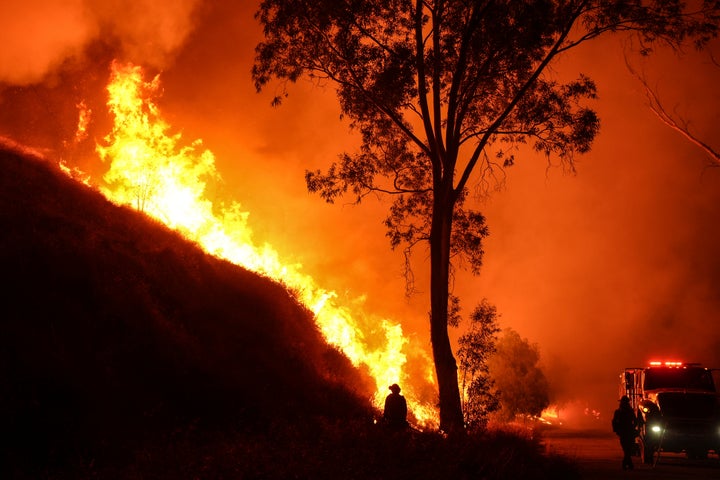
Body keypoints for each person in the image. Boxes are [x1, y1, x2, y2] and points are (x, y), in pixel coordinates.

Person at [612, 395, 638, 470]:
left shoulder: (618, 412)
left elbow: (614, 422)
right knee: (627, 449)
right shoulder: (628, 411)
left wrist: (616, 430)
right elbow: (635, 421)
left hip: (624, 432)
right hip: (627, 431)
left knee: (627, 449)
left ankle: (626, 463)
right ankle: (628, 464)